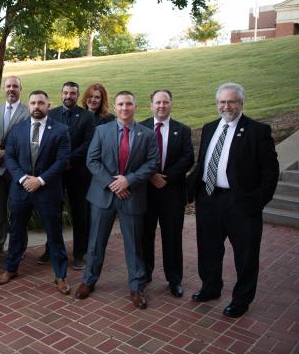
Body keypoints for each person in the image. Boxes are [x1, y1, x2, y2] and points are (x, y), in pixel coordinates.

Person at [188, 83, 278, 318]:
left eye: (231, 101)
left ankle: (241, 300)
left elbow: (270, 173)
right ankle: (210, 287)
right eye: (222, 102)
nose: (226, 106)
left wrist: (255, 201)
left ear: (241, 103)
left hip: (240, 203)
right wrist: (191, 191)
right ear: (217, 104)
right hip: (208, 199)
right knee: (208, 249)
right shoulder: (209, 128)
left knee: (245, 254)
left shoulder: (258, 131)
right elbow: (203, 163)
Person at [75, 91, 159, 309]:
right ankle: (88, 280)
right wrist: (113, 183)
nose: (124, 108)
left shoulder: (147, 134)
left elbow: (151, 164)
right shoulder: (101, 131)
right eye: (121, 104)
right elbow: (92, 161)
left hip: (132, 195)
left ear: (135, 106)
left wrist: (128, 181)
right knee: (95, 242)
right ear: (115, 107)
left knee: (134, 244)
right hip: (103, 195)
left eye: (128, 104)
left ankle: (137, 286)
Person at [0, 90, 72, 295]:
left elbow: (62, 160)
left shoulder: (61, 130)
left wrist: (40, 180)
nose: (37, 106)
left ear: (48, 105)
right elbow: (9, 157)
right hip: (21, 190)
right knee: (16, 232)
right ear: (28, 106)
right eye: (33, 103)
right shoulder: (18, 129)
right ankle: (10, 269)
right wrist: (22, 179)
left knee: (55, 235)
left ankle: (60, 275)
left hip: (47, 191)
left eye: (41, 103)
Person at [140, 89, 194, 297]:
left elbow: (188, 158)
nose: (162, 106)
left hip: (171, 193)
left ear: (171, 104)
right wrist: (151, 175)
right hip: (145, 192)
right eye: (158, 102)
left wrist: (166, 178)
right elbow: (135, 157)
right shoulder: (140, 127)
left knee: (172, 237)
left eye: (166, 102)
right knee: (145, 236)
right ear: (151, 105)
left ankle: (174, 279)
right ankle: (144, 274)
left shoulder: (182, 130)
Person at [44, 81, 95, 270]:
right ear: (61, 94)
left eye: (72, 93)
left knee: (80, 213)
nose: (68, 96)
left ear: (77, 95)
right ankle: (51, 249)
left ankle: (80, 253)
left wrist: (68, 159)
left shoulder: (87, 116)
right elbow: (47, 140)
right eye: (65, 92)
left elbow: (89, 143)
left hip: (78, 172)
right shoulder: (52, 114)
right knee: (53, 211)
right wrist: (59, 162)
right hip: (55, 173)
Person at [0, 76, 29, 256]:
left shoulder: (28, 112)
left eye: (15, 86)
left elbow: (29, 140)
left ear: (21, 88)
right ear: (4, 89)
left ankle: (19, 243)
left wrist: (7, 152)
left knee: (18, 207)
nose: (11, 89)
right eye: (8, 86)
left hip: (16, 169)